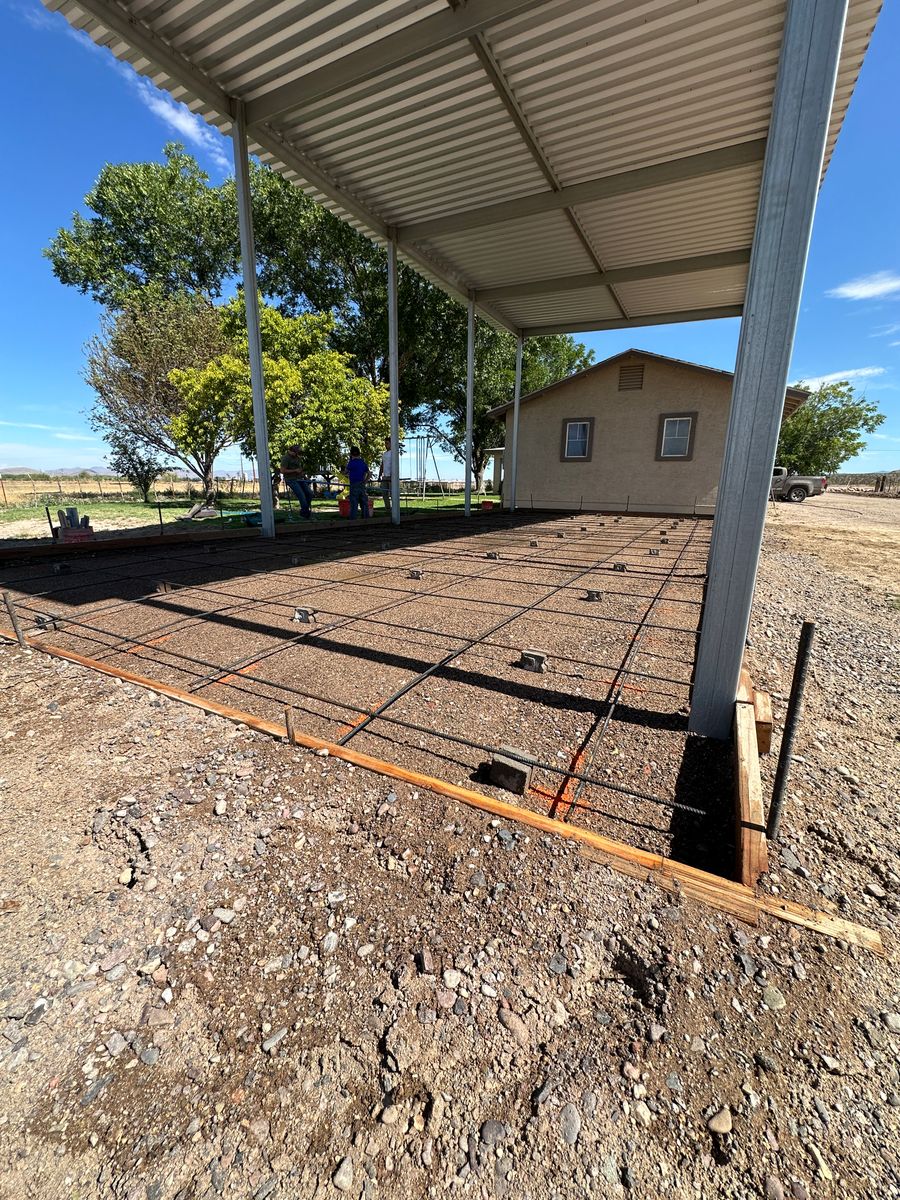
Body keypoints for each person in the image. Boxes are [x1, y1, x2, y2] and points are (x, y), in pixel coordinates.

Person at [280, 444, 312, 519]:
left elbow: (299, 469)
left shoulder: (297, 458)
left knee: (309, 493)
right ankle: (305, 514)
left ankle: (304, 511)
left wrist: (305, 477)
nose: (297, 454)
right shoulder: (286, 458)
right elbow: (282, 471)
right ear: (291, 451)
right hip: (291, 480)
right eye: (296, 452)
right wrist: (295, 470)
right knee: (302, 495)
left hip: (300, 478)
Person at [346, 445, 370, 520]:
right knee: (364, 503)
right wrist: (365, 481)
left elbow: (346, 472)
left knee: (354, 503)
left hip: (354, 484)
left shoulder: (351, 463)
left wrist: (343, 471)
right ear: (359, 454)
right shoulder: (362, 462)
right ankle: (366, 518)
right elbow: (369, 473)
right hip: (362, 484)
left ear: (351, 454)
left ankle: (353, 519)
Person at [377, 436, 393, 514]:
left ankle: (394, 509)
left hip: (391, 476)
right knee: (384, 493)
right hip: (384, 476)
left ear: (391, 443)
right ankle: (388, 509)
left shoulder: (394, 453)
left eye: (387, 443)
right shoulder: (384, 454)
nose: (385, 445)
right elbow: (382, 465)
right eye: (385, 443)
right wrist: (379, 475)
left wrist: (393, 475)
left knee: (392, 494)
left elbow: (394, 465)